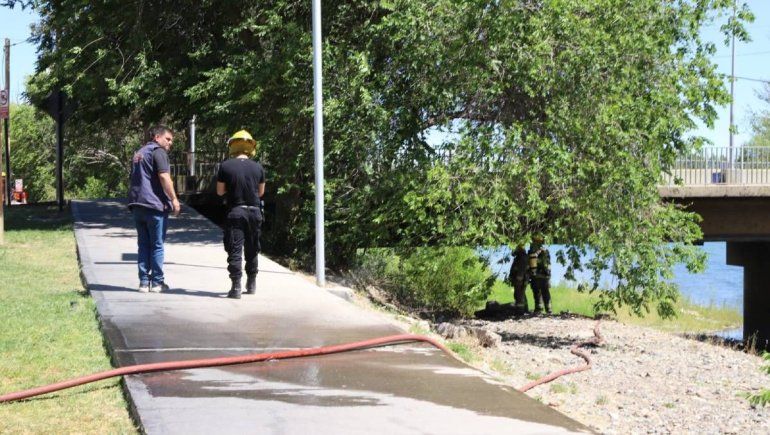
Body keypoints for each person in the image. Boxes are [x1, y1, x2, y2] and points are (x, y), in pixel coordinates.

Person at [127, 125, 181, 293]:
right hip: (154, 205)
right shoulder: (158, 152)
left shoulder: (139, 153)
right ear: (157, 137)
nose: (170, 143)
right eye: (168, 139)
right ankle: (157, 283)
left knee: (143, 244)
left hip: (137, 205)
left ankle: (143, 282)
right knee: (157, 245)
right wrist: (174, 199)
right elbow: (164, 176)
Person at [216, 130, 265, 299]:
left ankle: (236, 287)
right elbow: (260, 193)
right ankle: (251, 283)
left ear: (233, 146)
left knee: (235, 249)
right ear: (251, 146)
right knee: (252, 248)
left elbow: (220, 192)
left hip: (236, 212)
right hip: (254, 212)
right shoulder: (258, 167)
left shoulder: (226, 166)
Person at [528, 236, 552, 314]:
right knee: (545, 293)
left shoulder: (533, 251)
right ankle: (548, 310)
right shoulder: (546, 251)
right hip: (545, 276)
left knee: (537, 293)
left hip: (536, 275)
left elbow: (531, 261)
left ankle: (539, 310)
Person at [507, 245, 529, 316]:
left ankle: (520, 312)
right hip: (520, 279)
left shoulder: (522, 257)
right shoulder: (520, 256)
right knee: (521, 294)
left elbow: (522, 269)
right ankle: (525, 310)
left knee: (518, 295)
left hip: (520, 279)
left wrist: (519, 278)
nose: (513, 250)